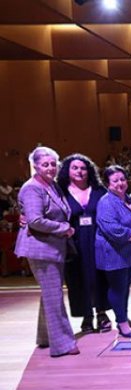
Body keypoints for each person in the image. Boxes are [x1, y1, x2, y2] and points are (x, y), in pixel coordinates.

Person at [15, 146, 79, 357]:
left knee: (50, 294)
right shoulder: (32, 188)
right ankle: (63, 345)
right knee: (54, 296)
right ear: (35, 166)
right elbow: (34, 220)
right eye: (45, 164)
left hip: (52, 248)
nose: (50, 168)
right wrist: (64, 228)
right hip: (41, 249)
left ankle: (45, 337)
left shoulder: (51, 185)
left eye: (53, 164)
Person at [57, 154, 110, 334]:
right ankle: (86, 315)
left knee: (101, 277)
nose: (79, 171)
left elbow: (115, 202)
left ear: (89, 171)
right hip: (74, 241)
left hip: (98, 239)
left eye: (83, 168)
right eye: (75, 168)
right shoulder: (60, 192)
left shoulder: (99, 189)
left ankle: (102, 313)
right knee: (78, 278)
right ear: (67, 171)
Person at [95, 166, 131, 338]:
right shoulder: (106, 202)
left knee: (125, 288)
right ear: (107, 183)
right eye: (115, 180)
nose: (120, 183)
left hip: (129, 253)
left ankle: (123, 317)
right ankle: (122, 324)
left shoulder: (128, 199)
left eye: (122, 179)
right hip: (114, 253)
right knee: (118, 288)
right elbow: (112, 229)